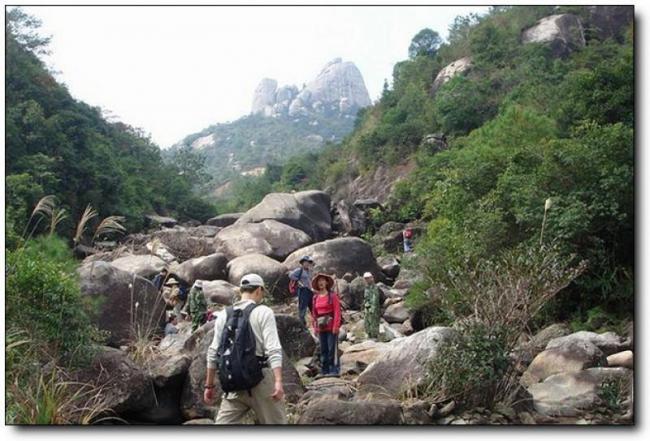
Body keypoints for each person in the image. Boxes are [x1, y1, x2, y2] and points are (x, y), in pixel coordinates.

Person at [204, 274, 286, 424]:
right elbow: (273, 349)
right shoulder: (263, 312)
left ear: (241, 291)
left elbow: (212, 353)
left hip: (234, 381)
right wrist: (279, 381)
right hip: (261, 381)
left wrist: (209, 386)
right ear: (259, 290)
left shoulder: (223, 315)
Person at [311, 273, 342, 377]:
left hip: (331, 326)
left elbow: (337, 311)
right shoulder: (315, 298)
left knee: (331, 348)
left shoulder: (332, 296)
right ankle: (324, 370)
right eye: (319, 281)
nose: (321, 282)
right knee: (323, 349)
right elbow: (314, 314)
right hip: (321, 328)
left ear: (327, 282)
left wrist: (336, 326)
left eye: (323, 280)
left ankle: (334, 369)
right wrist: (315, 327)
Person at [289, 256, 315, 326]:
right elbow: (290, 275)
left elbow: (311, 280)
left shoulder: (310, 271)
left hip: (310, 291)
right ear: (302, 263)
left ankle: (316, 324)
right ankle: (302, 325)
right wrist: (298, 281)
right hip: (303, 291)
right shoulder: (299, 270)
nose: (307, 264)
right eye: (305, 262)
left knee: (313, 307)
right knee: (302, 309)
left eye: (308, 262)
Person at [363, 272, 381, 339]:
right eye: (365, 278)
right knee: (366, 322)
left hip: (374, 309)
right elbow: (365, 298)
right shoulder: (366, 288)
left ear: (371, 278)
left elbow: (375, 299)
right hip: (367, 307)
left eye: (368, 278)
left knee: (374, 322)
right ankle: (369, 335)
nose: (366, 280)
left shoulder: (375, 287)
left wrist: (372, 309)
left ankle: (374, 337)